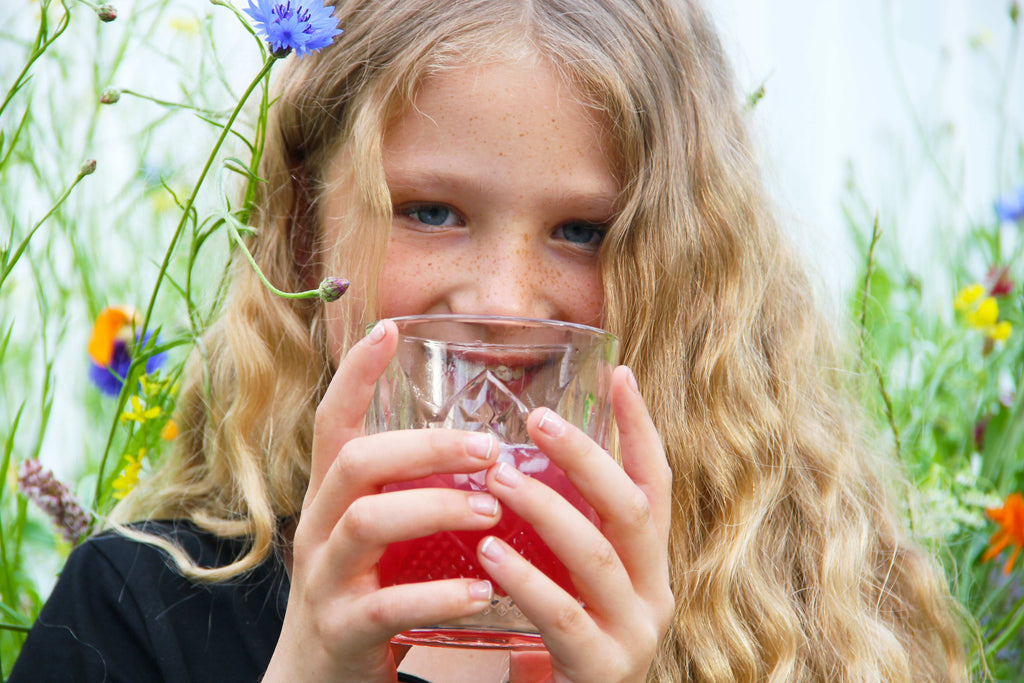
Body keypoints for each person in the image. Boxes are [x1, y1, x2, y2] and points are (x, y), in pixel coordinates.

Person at [11, 0, 968, 681]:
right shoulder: (141, 609)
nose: (507, 303)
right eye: (431, 210)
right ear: (306, 232)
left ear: (684, 268)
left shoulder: (792, 626)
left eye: (584, 231)